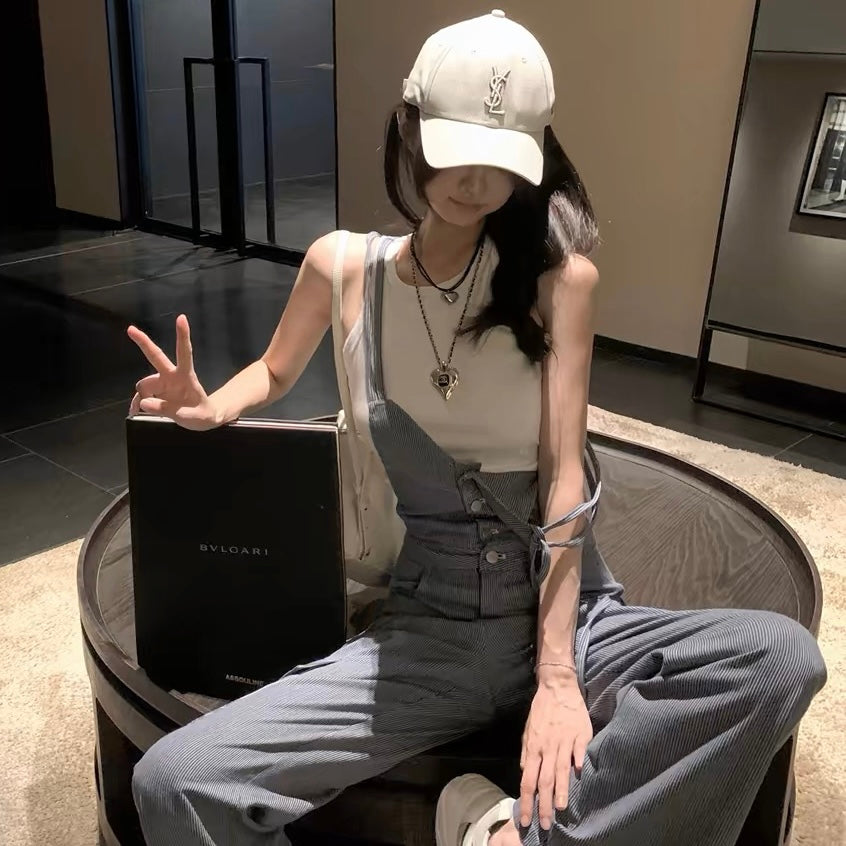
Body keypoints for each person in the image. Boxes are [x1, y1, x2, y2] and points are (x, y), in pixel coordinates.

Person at [127, 10, 827, 846]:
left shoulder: (558, 283)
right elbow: (276, 371)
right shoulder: (343, 268)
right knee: (176, 779)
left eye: (502, 161)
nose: (475, 181)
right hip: (432, 627)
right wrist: (216, 405)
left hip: (572, 613)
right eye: (456, 150)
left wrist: (558, 674)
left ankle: (511, 837)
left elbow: (563, 480)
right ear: (410, 129)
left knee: (779, 659)